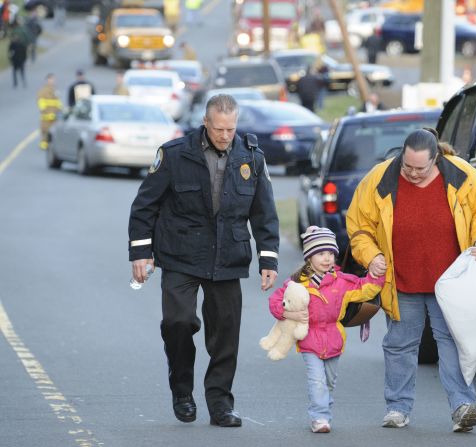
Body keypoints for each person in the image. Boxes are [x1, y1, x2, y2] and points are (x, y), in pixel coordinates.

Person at [128, 94, 279, 428]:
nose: (225, 135)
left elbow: (264, 212)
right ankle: (182, 391)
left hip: (228, 257)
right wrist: (141, 253)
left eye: (231, 128)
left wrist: (268, 259)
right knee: (178, 323)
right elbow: (144, 206)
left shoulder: (251, 158)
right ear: (206, 123)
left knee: (226, 335)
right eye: (219, 128)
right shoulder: (174, 154)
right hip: (181, 254)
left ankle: (220, 404)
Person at [346, 128, 476, 433]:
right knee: (400, 344)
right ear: (401, 155)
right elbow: (360, 226)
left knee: (453, 342)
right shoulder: (378, 178)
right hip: (401, 279)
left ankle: (462, 406)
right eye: (407, 167)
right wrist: (371, 255)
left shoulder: (466, 177)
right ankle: (397, 408)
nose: (413, 174)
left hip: (451, 283)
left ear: (437, 159)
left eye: (421, 168)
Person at [266, 226, 385, 433]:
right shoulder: (296, 283)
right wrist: (290, 314)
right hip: (308, 339)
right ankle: (319, 417)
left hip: (334, 339)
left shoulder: (342, 282)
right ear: (309, 257)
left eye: (331, 253)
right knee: (317, 380)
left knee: (329, 381)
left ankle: (324, 411)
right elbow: (275, 302)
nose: (327, 258)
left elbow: (366, 288)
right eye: (321, 253)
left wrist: (377, 274)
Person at [37, 73, 63, 150]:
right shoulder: (43, 91)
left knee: (55, 131)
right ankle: (44, 144)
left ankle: (53, 145)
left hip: (54, 116)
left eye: (53, 79)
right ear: (47, 80)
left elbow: (58, 102)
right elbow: (41, 103)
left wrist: (61, 110)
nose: (52, 81)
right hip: (46, 116)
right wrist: (46, 112)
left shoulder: (55, 90)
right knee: (45, 130)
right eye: (50, 79)